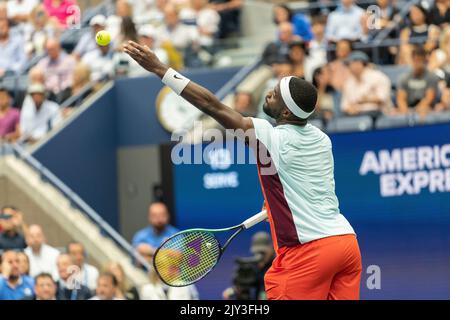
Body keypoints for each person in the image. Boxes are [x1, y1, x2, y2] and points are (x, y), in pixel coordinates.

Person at [124, 40, 362, 300]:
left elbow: (212, 106)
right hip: (345, 245)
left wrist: (160, 69)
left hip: (308, 252)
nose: (268, 93)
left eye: (274, 93)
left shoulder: (270, 137)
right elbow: (307, 182)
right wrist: (275, 202)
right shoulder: (320, 139)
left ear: (285, 111)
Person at [341, 51, 392, 116]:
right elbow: (344, 106)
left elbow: (382, 99)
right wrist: (350, 109)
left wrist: (365, 100)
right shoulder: (348, 82)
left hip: (378, 115)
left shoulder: (378, 77)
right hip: (355, 116)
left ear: (359, 64)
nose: (348, 67)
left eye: (350, 64)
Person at [397, 46, 440, 117]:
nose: (418, 64)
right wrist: (405, 113)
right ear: (412, 60)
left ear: (425, 61)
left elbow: (429, 98)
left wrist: (416, 112)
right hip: (409, 109)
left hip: (426, 110)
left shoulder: (432, 77)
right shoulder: (404, 78)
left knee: (425, 110)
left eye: (421, 61)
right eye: (416, 60)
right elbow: (401, 99)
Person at [37, 38, 77, 103]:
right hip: (48, 93)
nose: (50, 52)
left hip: (65, 93)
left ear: (59, 47)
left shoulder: (69, 61)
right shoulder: (43, 63)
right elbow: (38, 76)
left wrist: (58, 89)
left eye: (52, 49)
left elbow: (72, 80)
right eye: (48, 50)